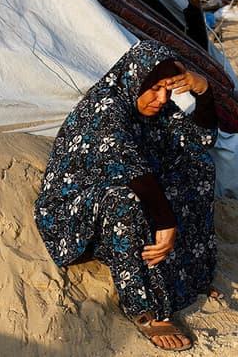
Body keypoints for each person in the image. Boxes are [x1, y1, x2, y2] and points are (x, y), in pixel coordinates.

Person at [34, 40, 218, 352]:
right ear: (136, 78)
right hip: (74, 213)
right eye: (156, 88)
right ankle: (144, 308)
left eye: (167, 89)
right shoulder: (107, 107)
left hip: (123, 193)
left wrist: (204, 91)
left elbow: (200, 140)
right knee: (128, 202)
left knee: (195, 168)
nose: (162, 98)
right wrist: (166, 221)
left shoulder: (150, 104)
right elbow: (129, 168)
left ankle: (188, 274)